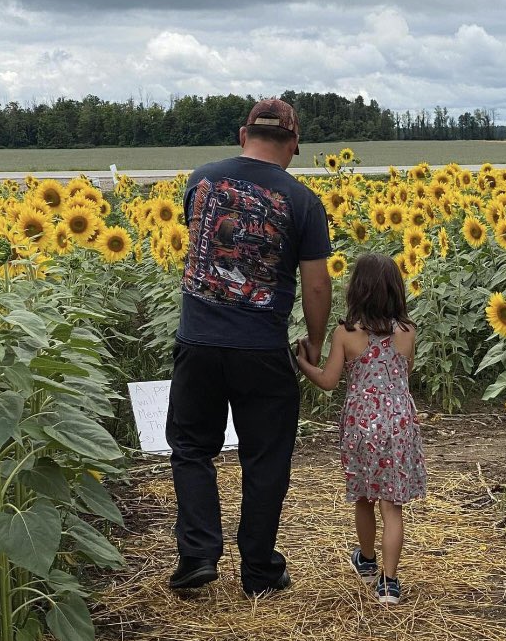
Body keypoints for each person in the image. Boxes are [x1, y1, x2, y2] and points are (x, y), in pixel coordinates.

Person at [166, 97, 332, 598]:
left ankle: (197, 554)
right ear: (294, 144)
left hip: (198, 340)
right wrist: (315, 342)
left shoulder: (202, 180)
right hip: (261, 347)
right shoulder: (302, 201)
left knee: (191, 447)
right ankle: (259, 570)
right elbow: (317, 284)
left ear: (243, 135)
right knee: (266, 458)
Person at [296, 253, 426, 605]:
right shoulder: (408, 333)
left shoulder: (346, 334)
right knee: (392, 506)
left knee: (365, 497)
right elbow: (405, 375)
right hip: (398, 424)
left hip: (362, 426)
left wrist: (302, 363)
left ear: (357, 290)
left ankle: (367, 561)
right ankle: (389, 583)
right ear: (396, 291)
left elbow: (328, 381)